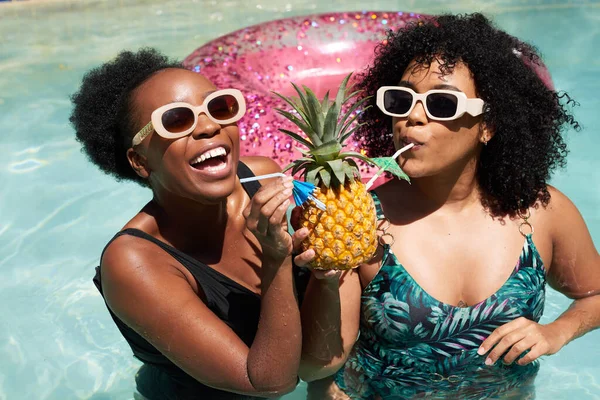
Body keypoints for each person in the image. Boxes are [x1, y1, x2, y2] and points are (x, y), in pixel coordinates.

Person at [296, 13, 600, 399]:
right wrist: (324, 280)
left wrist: (556, 332)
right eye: (400, 99)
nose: (412, 116)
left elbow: (595, 294)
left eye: (441, 103)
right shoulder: (362, 219)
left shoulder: (541, 212)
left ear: (488, 125)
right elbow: (313, 367)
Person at [70, 48, 311, 400]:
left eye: (219, 107)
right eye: (177, 120)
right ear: (140, 161)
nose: (210, 126)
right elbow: (269, 383)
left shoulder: (260, 176)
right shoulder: (133, 262)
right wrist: (275, 260)